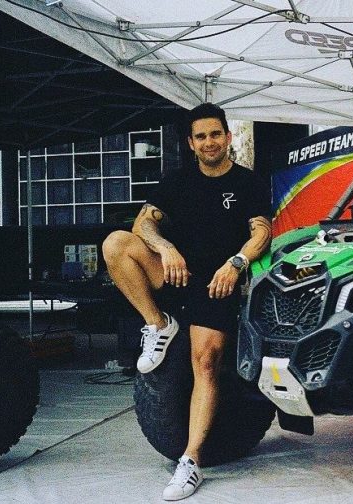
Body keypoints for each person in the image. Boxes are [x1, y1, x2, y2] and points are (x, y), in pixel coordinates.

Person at [102, 103, 271, 501]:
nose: (209, 142)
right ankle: (158, 324)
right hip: (176, 274)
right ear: (191, 143)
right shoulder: (177, 181)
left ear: (227, 137)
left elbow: (262, 233)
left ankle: (191, 460)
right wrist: (165, 247)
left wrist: (237, 263)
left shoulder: (248, 182)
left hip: (217, 285)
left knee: (205, 364)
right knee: (116, 244)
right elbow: (143, 223)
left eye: (215, 134)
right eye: (201, 136)